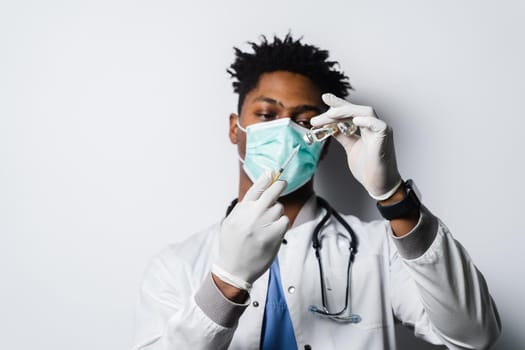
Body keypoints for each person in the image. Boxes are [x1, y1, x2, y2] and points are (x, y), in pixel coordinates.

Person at [133, 34, 501, 350]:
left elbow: (474, 335)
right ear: (235, 128)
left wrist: (393, 196)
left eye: (305, 121)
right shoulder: (177, 266)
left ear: (324, 143)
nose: (285, 131)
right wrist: (226, 282)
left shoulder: (380, 251)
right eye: (266, 114)